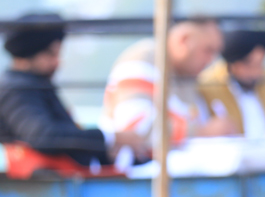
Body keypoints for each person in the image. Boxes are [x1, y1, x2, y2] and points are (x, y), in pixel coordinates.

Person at [0, 13, 149, 178]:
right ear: (30, 53)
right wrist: (111, 137)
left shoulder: (29, 83)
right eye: (51, 54)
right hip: (54, 182)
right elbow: (45, 137)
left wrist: (108, 150)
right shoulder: (17, 90)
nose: (57, 62)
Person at [101, 18, 236, 145]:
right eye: (207, 50)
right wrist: (201, 132)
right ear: (184, 40)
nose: (210, 60)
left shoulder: (188, 74)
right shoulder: (144, 60)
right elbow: (136, 129)